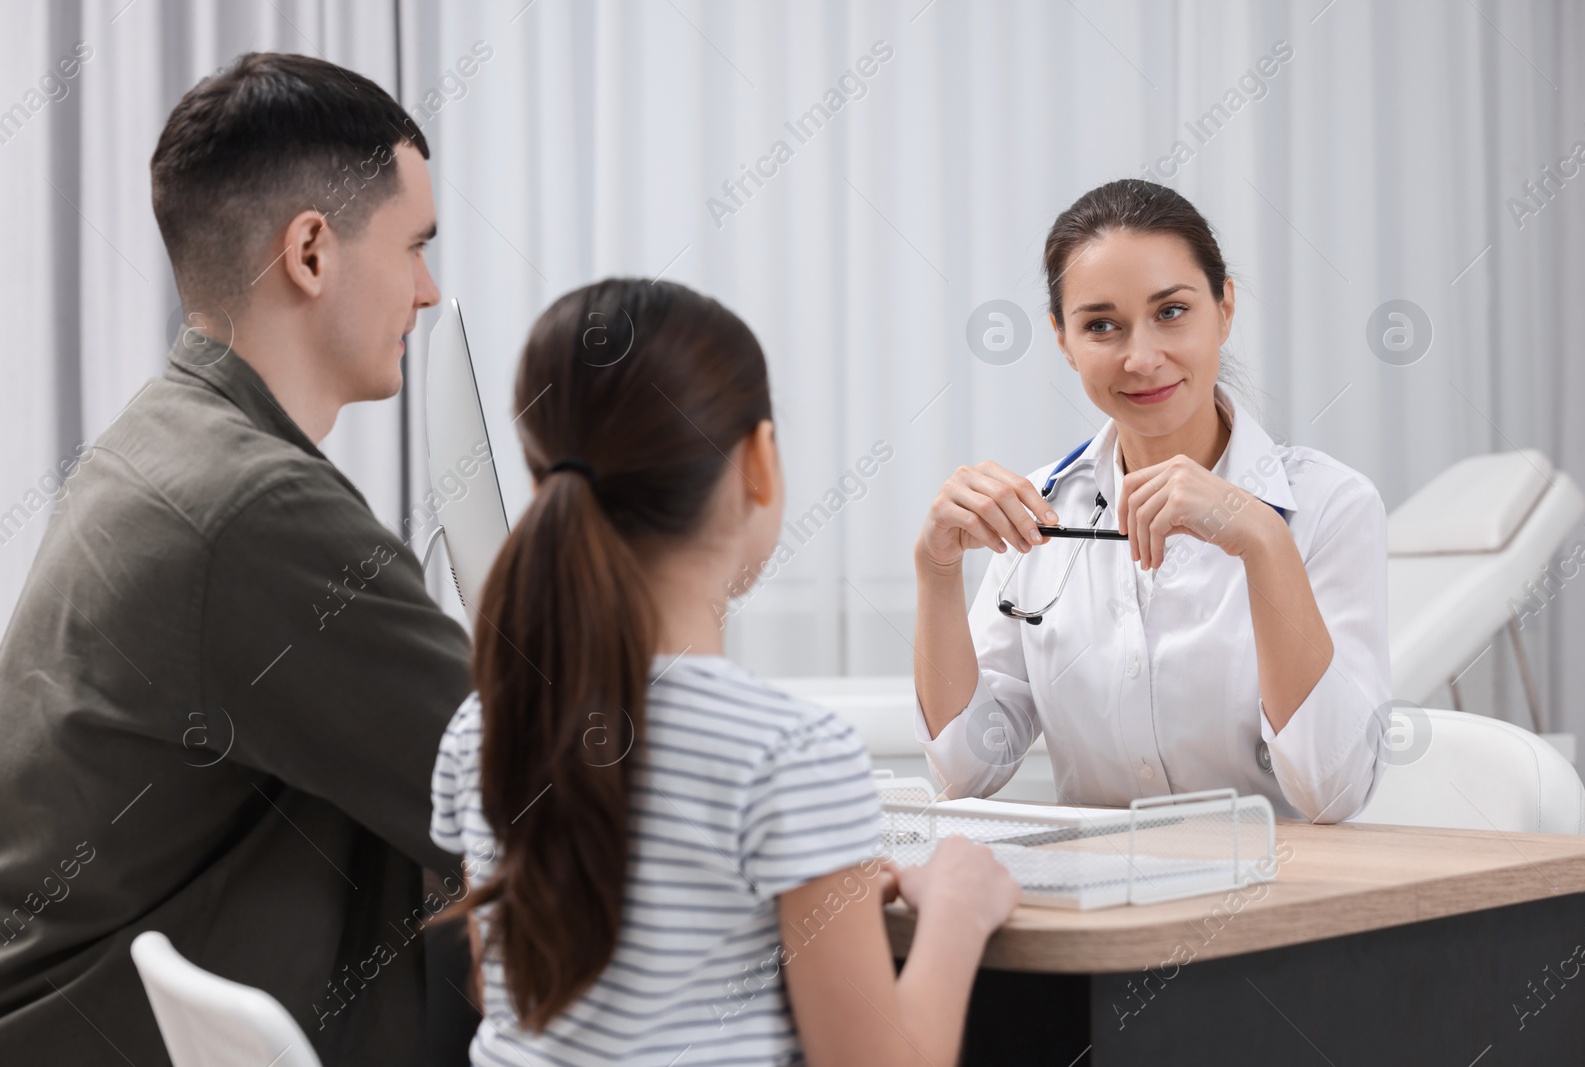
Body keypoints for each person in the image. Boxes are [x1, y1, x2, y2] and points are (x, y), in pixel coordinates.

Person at [0, 54, 475, 1065]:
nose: (429, 293)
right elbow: (543, 792)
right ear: (310, 250)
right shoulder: (257, 508)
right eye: (415, 247)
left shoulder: (159, 439)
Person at [428, 278, 1020, 1067]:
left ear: (542, 484)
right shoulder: (791, 752)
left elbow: (502, 984)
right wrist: (956, 907)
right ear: (760, 464)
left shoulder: (484, 725)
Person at [912, 179, 1392, 824]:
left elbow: (1333, 794)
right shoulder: (1039, 513)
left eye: (1171, 312)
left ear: (1224, 308)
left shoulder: (1328, 507)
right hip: (1102, 903)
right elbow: (968, 771)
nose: (1141, 358)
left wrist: (1264, 542)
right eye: (1102, 325)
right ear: (1062, 338)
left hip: (1279, 906)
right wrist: (936, 571)